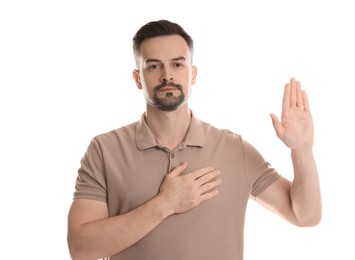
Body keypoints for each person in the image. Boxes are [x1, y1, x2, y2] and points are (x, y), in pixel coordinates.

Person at [67, 19, 322, 260]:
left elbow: (304, 215)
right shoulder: (104, 150)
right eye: (154, 66)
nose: (167, 76)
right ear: (138, 78)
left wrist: (302, 150)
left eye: (178, 64)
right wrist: (164, 204)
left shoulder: (235, 149)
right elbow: (80, 247)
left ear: (193, 74)